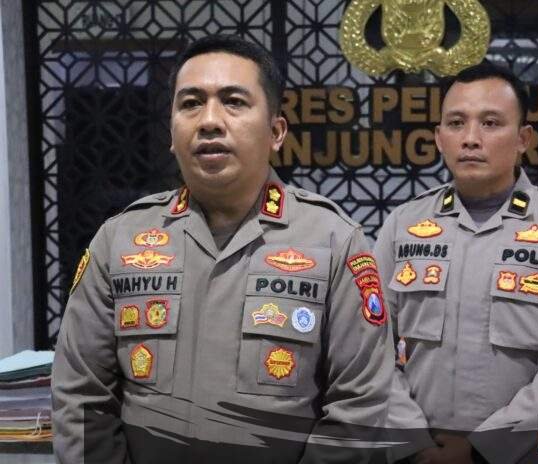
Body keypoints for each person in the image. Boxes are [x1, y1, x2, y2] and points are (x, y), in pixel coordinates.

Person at [52, 35, 394, 464]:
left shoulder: (332, 240)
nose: (209, 121)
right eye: (191, 103)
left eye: (233, 102)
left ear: (275, 132)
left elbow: (359, 404)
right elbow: (82, 395)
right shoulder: (119, 240)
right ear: (172, 133)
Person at [374, 63, 538, 464]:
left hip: (526, 452)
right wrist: (414, 441)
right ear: (438, 137)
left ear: (523, 138)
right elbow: (371, 348)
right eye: (456, 123)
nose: (470, 138)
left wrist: (482, 449)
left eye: (490, 123)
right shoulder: (403, 224)